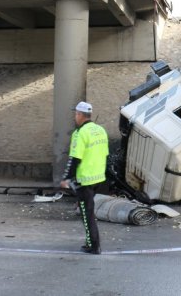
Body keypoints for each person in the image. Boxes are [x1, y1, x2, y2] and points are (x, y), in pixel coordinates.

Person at [60, 101, 109, 254]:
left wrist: (66, 178)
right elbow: (105, 154)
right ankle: (91, 242)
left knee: (87, 214)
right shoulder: (100, 130)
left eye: (76, 114)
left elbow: (74, 158)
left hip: (85, 180)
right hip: (98, 177)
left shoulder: (80, 133)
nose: (75, 116)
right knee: (88, 210)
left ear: (80, 115)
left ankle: (94, 245)